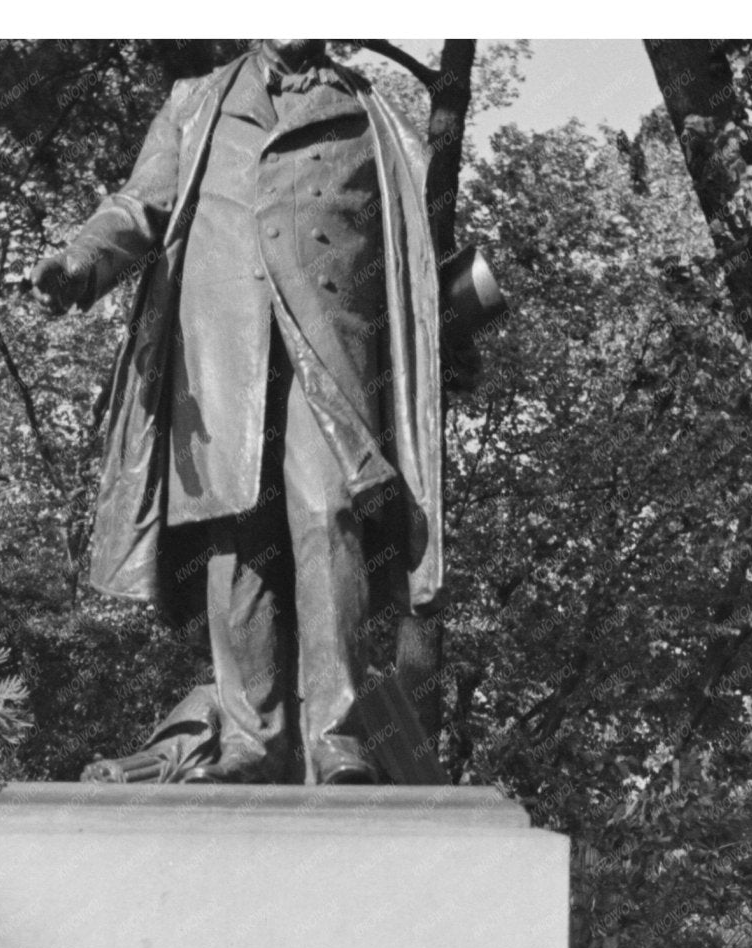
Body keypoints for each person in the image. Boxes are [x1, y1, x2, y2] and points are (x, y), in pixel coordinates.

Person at [32, 39, 447, 787]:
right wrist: (81, 260)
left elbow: (409, 264)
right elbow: (140, 204)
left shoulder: (373, 115)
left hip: (329, 352)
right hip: (224, 350)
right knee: (236, 530)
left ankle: (337, 734)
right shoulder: (197, 103)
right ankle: (253, 741)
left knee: (331, 516)